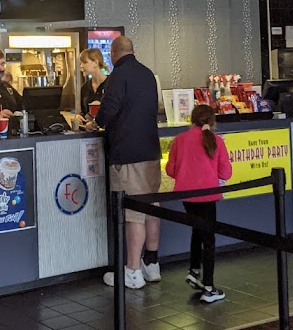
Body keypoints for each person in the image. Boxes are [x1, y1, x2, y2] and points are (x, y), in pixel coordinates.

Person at [85, 35, 161, 290]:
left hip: (127, 153)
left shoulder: (118, 75)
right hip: (151, 151)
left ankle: (132, 271)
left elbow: (110, 108)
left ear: (114, 53)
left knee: (133, 215)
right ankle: (152, 264)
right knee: (152, 207)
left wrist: (95, 123)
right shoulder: (148, 73)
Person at [165, 104, 232, 304]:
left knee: (197, 229)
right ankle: (209, 288)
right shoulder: (217, 141)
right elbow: (226, 173)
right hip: (208, 195)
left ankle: (194, 270)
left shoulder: (179, 140)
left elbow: (170, 170)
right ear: (212, 121)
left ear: (191, 120)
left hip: (187, 195)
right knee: (209, 238)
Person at [79, 47, 109, 116]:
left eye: (85, 62)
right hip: (88, 123)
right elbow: (84, 111)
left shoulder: (111, 84)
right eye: (81, 63)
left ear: (95, 62)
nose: (81, 66)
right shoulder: (85, 87)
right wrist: (79, 116)